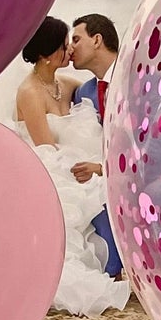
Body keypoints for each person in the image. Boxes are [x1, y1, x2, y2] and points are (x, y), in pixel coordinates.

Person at [13, 16, 129, 316]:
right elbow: (45, 148)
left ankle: (115, 261)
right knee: (83, 207)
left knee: (102, 194)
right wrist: (86, 170)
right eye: (65, 45)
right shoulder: (29, 92)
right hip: (50, 168)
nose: (69, 51)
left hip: (79, 164)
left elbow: (103, 93)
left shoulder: (67, 85)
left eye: (72, 42)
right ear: (46, 53)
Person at [67, 15, 124, 280]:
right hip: (102, 176)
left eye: (76, 39)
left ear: (97, 40)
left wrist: (103, 170)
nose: (70, 49)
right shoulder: (84, 93)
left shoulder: (135, 81)